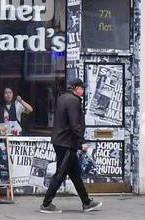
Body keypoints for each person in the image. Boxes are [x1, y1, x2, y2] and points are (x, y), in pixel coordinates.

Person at [40, 79, 101, 213]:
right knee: (60, 174)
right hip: (66, 143)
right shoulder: (73, 101)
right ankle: (46, 204)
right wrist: (82, 142)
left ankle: (86, 202)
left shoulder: (62, 98)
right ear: (76, 88)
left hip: (63, 142)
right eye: (81, 88)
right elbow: (75, 124)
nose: (83, 91)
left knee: (75, 174)